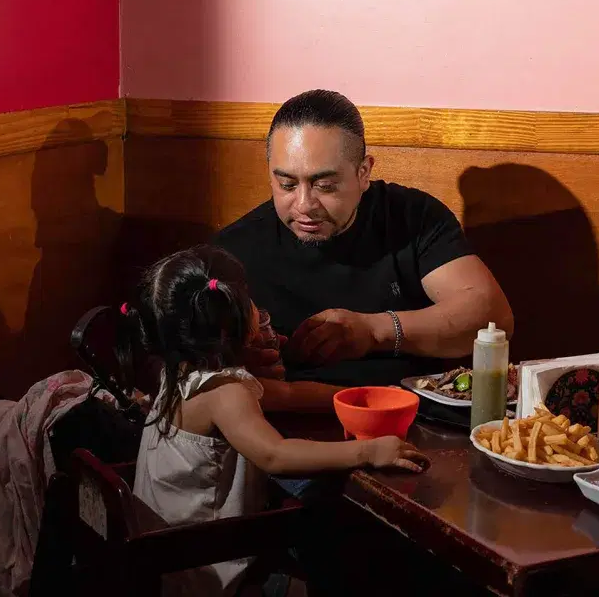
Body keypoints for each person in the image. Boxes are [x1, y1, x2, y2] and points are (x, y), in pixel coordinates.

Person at [118, 245, 428, 596]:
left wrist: (364, 396)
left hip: (166, 559)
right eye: (248, 296)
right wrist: (368, 452)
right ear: (231, 317)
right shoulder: (226, 393)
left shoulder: (182, 374)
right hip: (204, 575)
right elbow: (275, 455)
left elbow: (290, 394)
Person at [215, 89, 513, 386]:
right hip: (286, 422)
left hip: (411, 414)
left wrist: (375, 331)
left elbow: (491, 318)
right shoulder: (233, 251)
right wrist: (233, 364)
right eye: (287, 184)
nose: (304, 204)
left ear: (363, 172)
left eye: (325, 185)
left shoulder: (412, 217)